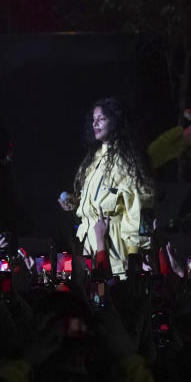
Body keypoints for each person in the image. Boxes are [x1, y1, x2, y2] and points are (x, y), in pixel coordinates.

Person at [58, 98, 155, 277]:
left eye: (101, 118)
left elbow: (139, 209)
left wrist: (134, 255)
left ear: (116, 121)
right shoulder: (95, 158)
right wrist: (76, 202)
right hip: (87, 247)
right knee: (91, 300)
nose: (95, 123)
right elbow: (99, 201)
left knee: (108, 298)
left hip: (115, 252)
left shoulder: (128, 160)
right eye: (93, 119)